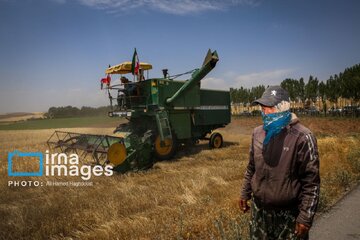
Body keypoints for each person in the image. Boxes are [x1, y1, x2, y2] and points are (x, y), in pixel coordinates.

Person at [239, 86, 320, 240]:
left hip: (288, 215)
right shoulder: (257, 133)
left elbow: (312, 182)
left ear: (283, 107)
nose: (264, 112)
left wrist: (305, 217)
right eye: (262, 107)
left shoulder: (302, 137)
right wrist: (245, 192)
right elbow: (251, 167)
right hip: (259, 213)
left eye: (269, 107)